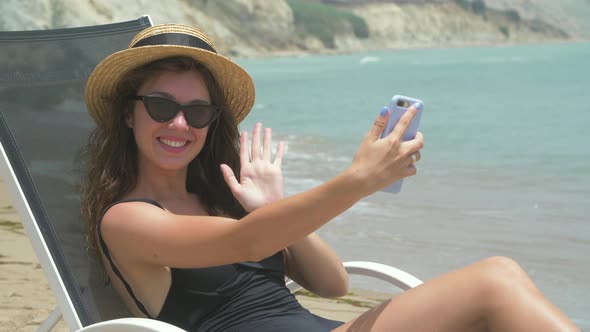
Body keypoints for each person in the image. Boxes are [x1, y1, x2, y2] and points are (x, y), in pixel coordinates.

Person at [81, 23, 580, 332]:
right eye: (162, 106)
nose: (179, 124)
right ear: (129, 115)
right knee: (495, 282)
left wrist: (272, 207)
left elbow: (333, 282)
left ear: (213, 123)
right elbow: (246, 243)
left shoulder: (223, 200)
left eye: (198, 111)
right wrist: (358, 180)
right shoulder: (126, 220)